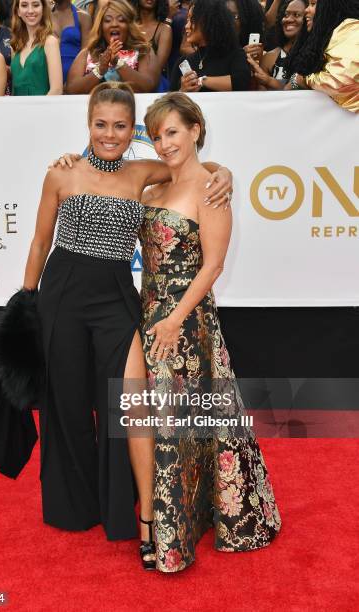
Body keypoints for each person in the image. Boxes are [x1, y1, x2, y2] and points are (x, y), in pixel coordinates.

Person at [23, 81, 233, 570]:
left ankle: (130, 515)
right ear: (88, 124)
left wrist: (226, 172)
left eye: (121, 126)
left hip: (118, 296)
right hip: (63, 292)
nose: (110, 134)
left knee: (124, 404)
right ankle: (75, 507)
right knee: (67, 401)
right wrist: (25, 303)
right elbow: (38, 243)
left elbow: (193, 169)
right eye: (101, 125)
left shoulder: (142, 172)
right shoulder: (61, 173)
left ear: (133, 127)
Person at [141, 92, 281, 572]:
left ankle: (173, 542)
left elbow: (214, 264)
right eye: (157, 135)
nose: (164, 144)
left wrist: (176, 318)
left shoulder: (210, 189)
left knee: (174, 425)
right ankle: (174, 525)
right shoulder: (154, 187)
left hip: (185, 321)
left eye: (173, 132)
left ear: (195, 130)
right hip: (147, 315)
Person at [65, 0, 158, 94]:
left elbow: (148, 86)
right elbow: (71, 89)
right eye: (108, 20)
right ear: (101, 26)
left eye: (121, 20)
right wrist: (100, 69)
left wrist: (118, 63)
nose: (114, 24)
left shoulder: (143, 51)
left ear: (129, 25)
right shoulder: (88, 53)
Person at [287, 0, 359, 113]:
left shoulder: (352, 29)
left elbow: (343, 81)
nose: (306, 10)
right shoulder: (328, 34)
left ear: (330, 6)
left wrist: (303, 80)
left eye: (313, 4)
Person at [170, 0, 251, 93]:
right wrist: (182, 90)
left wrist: (201, 81)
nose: (186, 26)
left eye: (192, 20)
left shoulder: (235, 55)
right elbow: (171, 101)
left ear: (209, 22)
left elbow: (240, 83)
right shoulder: (183, 62)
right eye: (187, 20)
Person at [247, 0, 307, 90]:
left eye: (297, 15)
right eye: (286, 15)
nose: (289, 19)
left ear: (309, 19)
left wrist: (269, 81)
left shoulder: (314, 55)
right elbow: (263, 99)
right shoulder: (270, 57)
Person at [10, 0, 63, 95]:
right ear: (18, 11)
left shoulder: (50, 42)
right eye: (24, 5)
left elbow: (56, 90)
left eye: (35, 5)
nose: (30, 10)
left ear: (43, 9)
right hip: (17, 108)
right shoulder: (16, 45)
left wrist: (39, 109)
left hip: (43, 108)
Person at [131, 0, 172, 91]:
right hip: (126, 82)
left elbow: (158, 66)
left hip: (154, 85)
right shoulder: (128, 26)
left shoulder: (164, 29)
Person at [50, 0, 91, 83]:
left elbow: (85, 52)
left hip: (74, 81)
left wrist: (73, 83)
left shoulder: (83, 17)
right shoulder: (44, 17)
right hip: (47, 78)